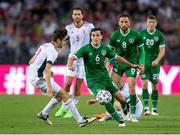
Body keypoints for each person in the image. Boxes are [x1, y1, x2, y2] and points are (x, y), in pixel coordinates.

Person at [67, 28, 142, 127]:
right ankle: (121, 122)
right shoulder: (86, 49)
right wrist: (70, 65)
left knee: (122, 100)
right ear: (91, 37)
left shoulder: (105, 48)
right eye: (93, 35)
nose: (95, 37)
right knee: (105, 100)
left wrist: (131, 65)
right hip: (94, 81)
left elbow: (118, 58)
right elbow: (72, 57)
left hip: (106, 79)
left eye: (98, 35)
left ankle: (124, 111)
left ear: (101, 36)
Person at [28, 29, 96, 127]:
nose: (65, 43)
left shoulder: (44, 46)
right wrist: (49, 87)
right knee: (65, 96)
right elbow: (47, 70)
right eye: (64, 41)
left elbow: (31, 61)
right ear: (58, 40)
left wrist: (40, 69)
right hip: (38, 79)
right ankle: (80, 121)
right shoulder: (52, 51)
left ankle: (44, 114)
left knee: (60, 95)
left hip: (34, 75)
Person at [55, 7, 94, 118]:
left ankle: (72, 109)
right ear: (72, 16)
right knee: (67, 84)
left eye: (78, 14)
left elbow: (96, 39)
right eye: (75, 14)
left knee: (78, 86)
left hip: (84, 60)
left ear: (82, 15)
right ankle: (64, 107)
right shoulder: (68, 28)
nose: (77, 16)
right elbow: (63, 41)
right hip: (72, 58)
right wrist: (56, 51)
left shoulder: (89, 27)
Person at [108, 13, 145, 122]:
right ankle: (111, 113)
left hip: (131, 64)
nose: (124, 24)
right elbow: (110, 52)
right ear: (119, 23)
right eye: (122, 22)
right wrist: (108, 63)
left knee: (132, 88)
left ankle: (132, 115)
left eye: (126, 22)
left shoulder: (135, 35)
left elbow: (142, 51)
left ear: (129, 23)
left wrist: (142, 63)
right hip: (118, 65)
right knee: (111, 89)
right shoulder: (114, 35)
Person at [140, 15, 165, 116]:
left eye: (153, 22)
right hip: (144, 62)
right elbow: (137, 49)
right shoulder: (141, 34)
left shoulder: (159, 35)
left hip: (155, 63)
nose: (151, 24)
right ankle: (146, 108)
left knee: (154, 85)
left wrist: (157, 60)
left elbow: (162, 51)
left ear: (156, 23)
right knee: (144, 84)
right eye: (150, 22)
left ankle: (154, 108)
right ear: (147, 23)